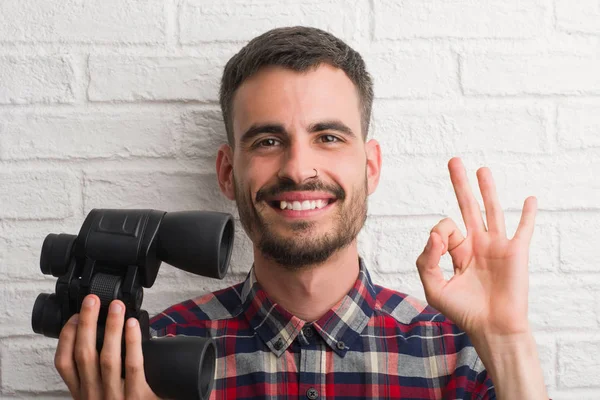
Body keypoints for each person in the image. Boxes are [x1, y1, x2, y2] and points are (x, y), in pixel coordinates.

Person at [54, 26, 549, 399]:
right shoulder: (145, 358)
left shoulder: (459, 356)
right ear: (228, 172)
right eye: (268, 140)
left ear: (370, 167)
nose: (298, 168)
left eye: (328, 137)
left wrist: (509, 342)